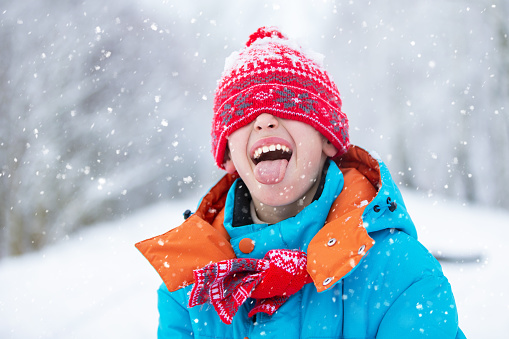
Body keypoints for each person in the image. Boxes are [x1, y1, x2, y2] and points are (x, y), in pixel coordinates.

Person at [136, 26, 466, 338]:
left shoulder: (397, 272)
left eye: (286, 102)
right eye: (244, 110)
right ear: (228, 158)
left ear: (328, 139)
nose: (264, 120)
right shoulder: (191, 287)